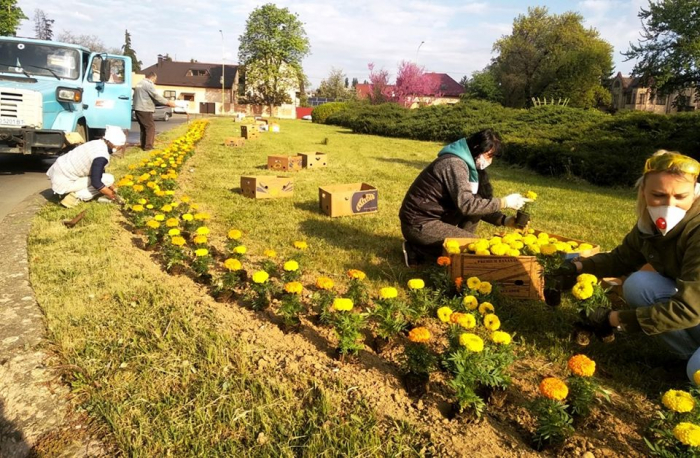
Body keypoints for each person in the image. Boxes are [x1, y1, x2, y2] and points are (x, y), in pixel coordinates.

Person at [555, 150, 700, 382]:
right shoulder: (649, 224)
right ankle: (687, 355)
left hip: (694, 308)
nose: (669, 205)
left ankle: (692, 363)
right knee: (638, 284)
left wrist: (613, 319)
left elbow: (690, 309)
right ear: (643, 191)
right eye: (659, 195)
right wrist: (577, 268)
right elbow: (621, 259)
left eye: (680, 197)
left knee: (697, 373)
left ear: (694, 193)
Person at [399, 129, 532, 266]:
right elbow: (467, 205)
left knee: (472, 238)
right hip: (419, 224)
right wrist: (503, 202)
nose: (490, 161)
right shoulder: (454, 164)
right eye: (488, 156)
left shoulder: (469, 166)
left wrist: (505, 220)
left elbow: (477, 204)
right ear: (476, 149)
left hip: (438, 218)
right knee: (475, 245)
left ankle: (459, 250)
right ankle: (417, 250)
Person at [47, 125, 126, 208]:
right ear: (113, 144)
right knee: (108, 179)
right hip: (64, 181)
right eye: (120, 146)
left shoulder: (97, 143)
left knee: (106, 180)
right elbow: (97, 182)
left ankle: (70, 193)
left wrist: (114, 188)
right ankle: (74, 197)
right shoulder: (101, 156)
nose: (120, 148)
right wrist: (113, 196)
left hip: (59, 173)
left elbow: (99, 172)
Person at [133, 72, 176, 151]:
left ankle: (143, 145)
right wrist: (168, 102)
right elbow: (156, 96)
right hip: (145, 109)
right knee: (150, 127)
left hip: (137, 108)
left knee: (144, 127)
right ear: (152, 78)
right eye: (155, 80)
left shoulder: (139, 83)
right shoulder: (148, 85)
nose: (155, 82)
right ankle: (148, 147)